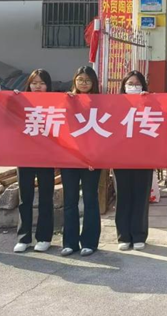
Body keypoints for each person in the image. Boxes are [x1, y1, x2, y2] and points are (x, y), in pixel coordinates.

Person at [61, 66, 103, 257]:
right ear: (75, 81)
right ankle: (70, 242)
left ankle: (90, 242)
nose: (83, 83)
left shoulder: (101, 103)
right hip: (69, 158)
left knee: (90, 199)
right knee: (69, 200)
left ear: (93, 82)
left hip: (91, 160)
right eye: (80, 79)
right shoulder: (66, 100)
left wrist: (97, 157)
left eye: (87, 80)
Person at [13, 69, 56, 253]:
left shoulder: (56, 103)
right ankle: (23, 237)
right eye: (34, 83)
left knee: (46, 197)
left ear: (48, 85)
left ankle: (44, 237)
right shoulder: (21, 102)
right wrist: (12, 99)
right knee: (25, 197)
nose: (38, 86)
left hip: (46, 156)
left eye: (42, 83)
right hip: (24, 155)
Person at [114, 70, 154, 252]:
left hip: (144, 157)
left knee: (141, 196)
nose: (133, 87)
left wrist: (148, 102)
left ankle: (139, 235)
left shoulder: (150, 103)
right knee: (123, 196)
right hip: (121, 157)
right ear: (123, 86)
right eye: (130, 84)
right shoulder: (114, 104)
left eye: (137, 84)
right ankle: (123, 235)